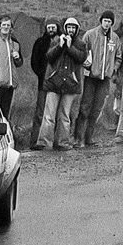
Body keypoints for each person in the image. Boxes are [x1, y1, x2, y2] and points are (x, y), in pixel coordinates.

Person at [35, 17, 86, 151]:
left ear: (77, 30)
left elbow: (81, 58)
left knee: (64, 115)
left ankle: (62, 142)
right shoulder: (57, 40)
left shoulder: (80, 44)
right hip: (54, 82)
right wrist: (60, 45)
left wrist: (69, 48)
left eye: (73, 28)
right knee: (49, 115)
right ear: (65, 28)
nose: (71, 30)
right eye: (69, 27)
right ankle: (44, 142)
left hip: (71, 83)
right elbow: (49, 57)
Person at [76, 10, 122, 148]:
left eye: (109, 21)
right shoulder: (90, 34)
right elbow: (81, 51)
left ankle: (89, 138)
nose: (107, 24)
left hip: (105, 79)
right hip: (91, 76)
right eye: (105, 20)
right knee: (85, 107)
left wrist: (113, 68)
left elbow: (119, 57)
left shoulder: (115, 38)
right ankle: (78, 139)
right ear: (101, 20)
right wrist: (86, 64)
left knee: (97, 109)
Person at [29, 17, 61, 148]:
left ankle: (53, 141)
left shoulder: (62, 41)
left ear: (57, 27)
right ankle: (35, 141)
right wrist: (42, 74)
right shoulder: (40, 42)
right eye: (49, 27)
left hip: (59, 84)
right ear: (46, 28)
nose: (51, 29)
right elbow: (34, 62)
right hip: (43, 83)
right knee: (40, 113)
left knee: (56, 113)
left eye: (53, 26)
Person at [0, 16, 24, 119]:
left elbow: (19, 63)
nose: (6, 27)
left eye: (8, 25)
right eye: (3, 25)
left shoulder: (15, 43)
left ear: (11, 28)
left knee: (5, 114)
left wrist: (17, 58)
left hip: (9, 85)